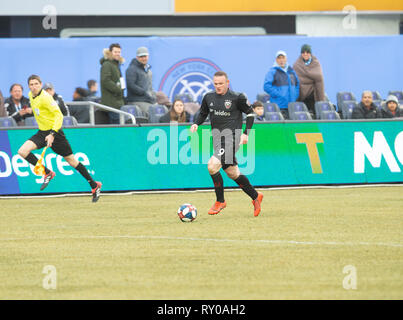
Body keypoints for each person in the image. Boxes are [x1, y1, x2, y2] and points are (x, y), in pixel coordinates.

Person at [17, 74, 102, 202]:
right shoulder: (30, 95)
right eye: (31, 84)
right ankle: (47, 173)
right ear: (28, 86)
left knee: (72, 161)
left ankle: (94, 185)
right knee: (22, 151)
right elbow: (40, 111)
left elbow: (59, 116)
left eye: (36, 84)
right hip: (42, 132)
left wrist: (52, 134)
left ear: (41, 84)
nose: (34, 87)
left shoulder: (46, 98)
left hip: (55, 133)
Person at [190, 71, 263, 217]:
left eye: (221, 84)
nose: (218, 86)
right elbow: (203, 113)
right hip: (218, 139)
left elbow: (250, 113)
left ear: (227, 82)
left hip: (232, 138)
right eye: (215, 84)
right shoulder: (208, 97)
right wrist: (196, 124)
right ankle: (256, 196)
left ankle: (220, 201)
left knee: (212, 166)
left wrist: (245, 133)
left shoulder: (237, 98)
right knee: (232, 173)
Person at [263, 50, 299, 119]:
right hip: (279, 106)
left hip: (292, 106)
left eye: (283, 57)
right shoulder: (272, 71)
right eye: (279, 58)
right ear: (276, 60)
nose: (281, 60)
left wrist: (295, 95)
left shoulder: (291, 71)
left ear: (286, 59)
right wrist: (279, 95)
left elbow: (297, 84)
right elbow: (266, 86)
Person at [293, 44, 325, 117]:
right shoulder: (296, 65)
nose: (305, 54)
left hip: (314, 94)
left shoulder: (316, 63)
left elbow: (319, 78)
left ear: (310, 53)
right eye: (303, 52)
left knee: (317, 114)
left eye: (307, 52)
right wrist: (312, 78)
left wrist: (321, 99)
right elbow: (296, 80)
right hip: (302, 96)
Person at [126, 46, 156, 116]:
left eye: (145, 56)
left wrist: (153, 96)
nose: (143, 58)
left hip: (148, 100)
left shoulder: (148, 70)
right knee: (153, 113)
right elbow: (131, 85)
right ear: (137, 57)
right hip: (136, 100)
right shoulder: (131, 69)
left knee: (159, 110)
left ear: (148, 56)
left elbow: (150, 87)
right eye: (141, 56)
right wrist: (144, 92)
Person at [100, 43, 125, 124]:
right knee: (116, 126)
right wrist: (118, 90)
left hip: (117, 102)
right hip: (111, 103)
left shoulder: (116, 65)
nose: (118, 54)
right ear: (110, 52)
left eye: (119, 52)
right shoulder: (107, 64)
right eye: (115, 52)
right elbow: (105, 80)